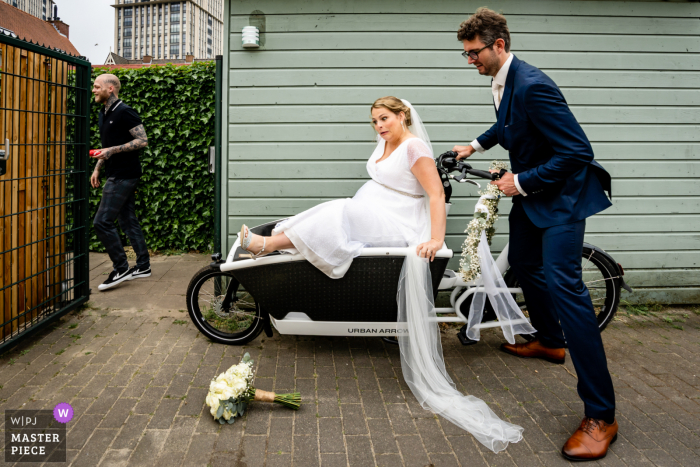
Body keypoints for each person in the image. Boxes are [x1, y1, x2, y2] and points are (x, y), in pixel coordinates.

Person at [240, 97, 525, 452]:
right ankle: (282, 244)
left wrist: (435, 239)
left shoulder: (413, 147)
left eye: (385, 119)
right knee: (336, 210)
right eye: (375, 120)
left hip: (399, 224)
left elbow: (435, 194)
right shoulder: (385, 142)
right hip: (374, 213)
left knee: (338, 211)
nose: (380, 126)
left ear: (403, 115)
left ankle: (268, 245)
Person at [452, 8, 617, 461]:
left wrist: (519, 182)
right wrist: (476, 145)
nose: (470, 60)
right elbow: (510, 125)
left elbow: (578, 152)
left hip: (561, 198)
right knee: (524, 262)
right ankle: (550, 340)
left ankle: (601, 415)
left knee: (567, 289)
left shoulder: (533, 84)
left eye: (474, 53)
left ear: (498, 44)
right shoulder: (503, 80)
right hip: (533, 193)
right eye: (466, 54)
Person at [91, 74, 151, 291]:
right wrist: (97, 168)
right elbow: (107, 146)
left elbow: (142, 141)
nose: (94, 90)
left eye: (97, 87)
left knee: (102, 222)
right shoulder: (103, 113)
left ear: (110, 88)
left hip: (125, 175)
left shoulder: (125, 111)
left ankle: (121, 267)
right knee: (127, 221)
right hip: (113, 172)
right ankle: (143, 266)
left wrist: (112, 151)